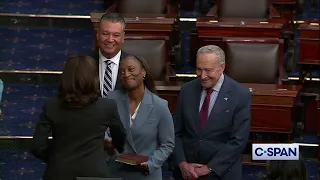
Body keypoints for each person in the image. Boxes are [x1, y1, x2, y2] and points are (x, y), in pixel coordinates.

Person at [31, 55, 126, 180]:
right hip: (95, 173)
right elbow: (120, 138)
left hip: (59, 173)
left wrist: (57, 160)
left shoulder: (51, 105)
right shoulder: (107, 106)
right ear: (94, 77)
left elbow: (38, 146)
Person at [172, 45, 251, 180]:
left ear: (222, 67)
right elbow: (176, 132)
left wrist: (209, 168)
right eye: (199, 69)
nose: (202, 76)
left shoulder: (240, 95)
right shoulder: (187, 90)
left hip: (221, 173)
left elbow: (238, 140)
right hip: (187, 173)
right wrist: (182, 163)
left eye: (208, 70)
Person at [107, 55, 175, 180]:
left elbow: (168, 144)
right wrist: (107, 142)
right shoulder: (111, 100)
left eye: (131, 69)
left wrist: (151, 163)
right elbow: (104, 130)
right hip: (116, 172)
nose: (126, 74)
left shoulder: (159, 105)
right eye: (122, 71)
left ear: (143, 72)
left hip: (145, 174)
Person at [95, 12, 129, 97]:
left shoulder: (136, 65)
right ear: (98, 35)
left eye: (116, 35)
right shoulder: (82, 64)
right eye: (105, 34)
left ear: (123, 37)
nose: (110, 39)